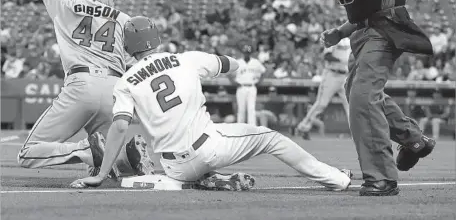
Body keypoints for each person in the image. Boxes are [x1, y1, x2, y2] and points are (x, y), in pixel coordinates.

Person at [70, 16, 352, 191]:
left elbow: (120, 126)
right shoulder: (185, 58)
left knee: (183, 158)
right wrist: (237, 63)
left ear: (128, 46)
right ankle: (336, 179)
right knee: (273, 139)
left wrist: (102, 174)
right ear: (156, 38)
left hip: (173, 167)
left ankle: (202, 179)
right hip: (210, 148)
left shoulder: (126, 81)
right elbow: (231, 64)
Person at [315, 0, 436, 196]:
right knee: (358, 92)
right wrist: (341, 31)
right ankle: (414, 139)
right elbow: (363, 7)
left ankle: (381, 178)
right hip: (363, 31)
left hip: (385, 27)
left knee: (362, 98)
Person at [17, 0, 154, 178]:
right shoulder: (124, 19)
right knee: (107, 164)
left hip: (82, 85)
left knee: (28, 153)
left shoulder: (66, 3)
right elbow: (143, 58)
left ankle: (85, 149)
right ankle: (128, 158)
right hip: (115, 90)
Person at [296, 38, 351, 139]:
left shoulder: (350, 40)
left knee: (350, 105)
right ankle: (303, 128)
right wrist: (341, 60)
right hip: (332, 74)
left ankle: (356, 132)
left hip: (345, 76)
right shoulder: (334, 37)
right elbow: (327, 56)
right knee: (321, 103)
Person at [230, 44, 266, 125]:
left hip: (252, 87)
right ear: (243, 53)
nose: (246, 54)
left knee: (251, 109)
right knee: (241, 109)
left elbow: (263, 72)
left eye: (248, 53)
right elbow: (229, 73)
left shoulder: (256, 62)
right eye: (245, 52)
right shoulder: (238, 62)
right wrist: (233, 82)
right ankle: (240, 129)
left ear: (251, 53)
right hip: (241, 87)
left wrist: (259, 81)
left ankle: (252, 129)